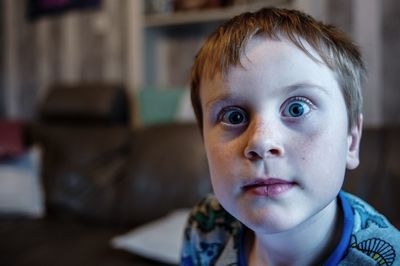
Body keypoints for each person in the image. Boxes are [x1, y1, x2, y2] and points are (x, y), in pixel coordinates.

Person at [181, 7, 400, 266]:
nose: (261, 141)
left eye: (297, 108)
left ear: (351, 141)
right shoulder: (204, 228)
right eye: (233, 117)